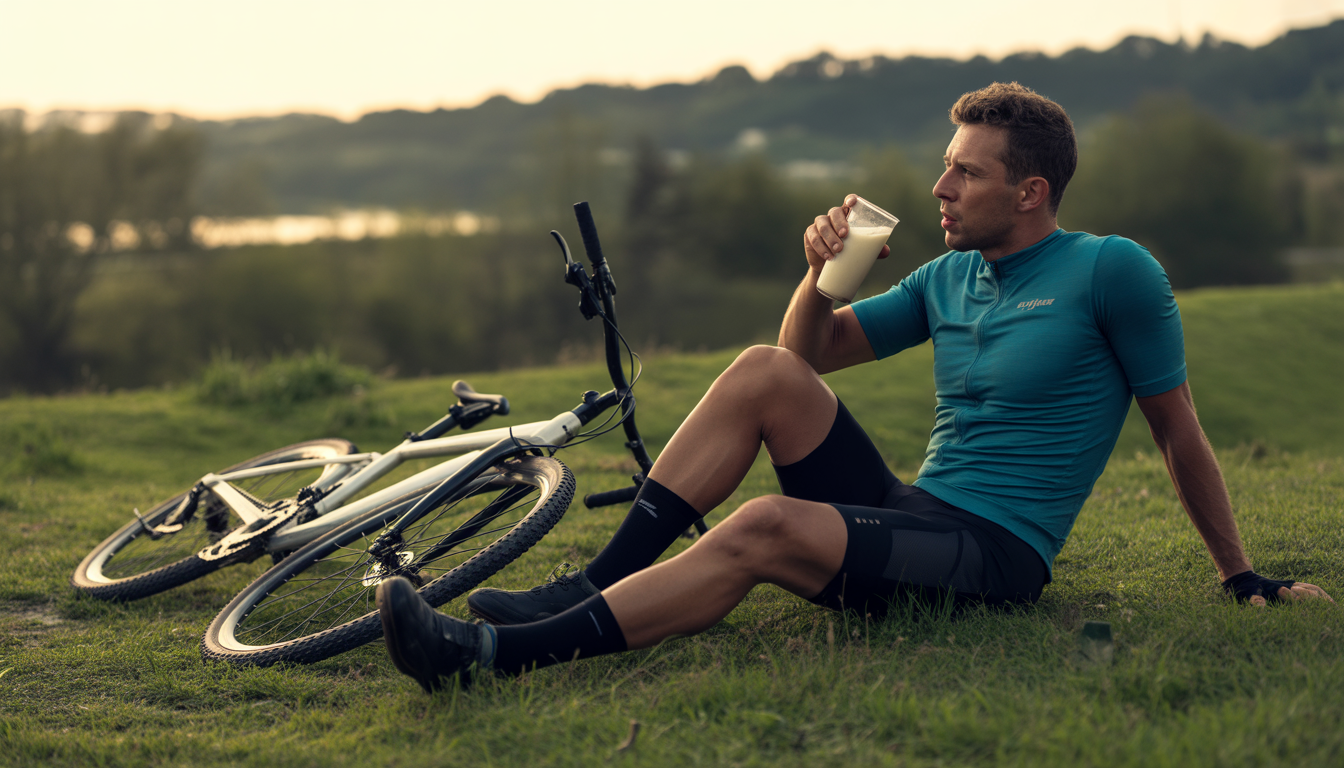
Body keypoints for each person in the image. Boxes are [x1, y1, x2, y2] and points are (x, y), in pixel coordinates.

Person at [375, 82, 1334, 693]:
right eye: (945, 166)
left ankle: (489, 659)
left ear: (1031, 191)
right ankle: (587, 585)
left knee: (762, 528)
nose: (939, 190)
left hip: (991, 556)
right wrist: (821, 275)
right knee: (760, 368)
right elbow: (807, 360)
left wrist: (1240, 575)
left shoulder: (1111, 271)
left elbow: (1177, 429)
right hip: (912, 511)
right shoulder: (947, 277)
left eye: (965, 172)